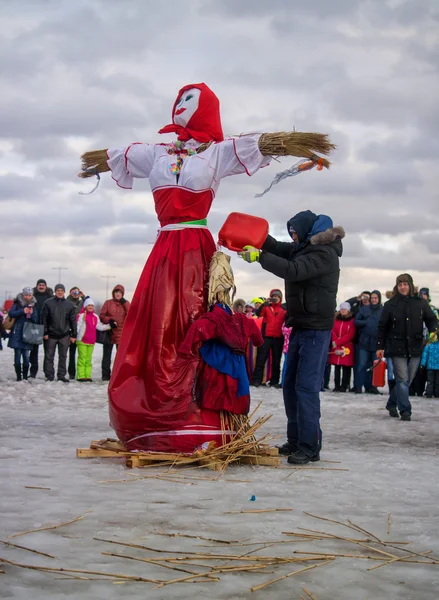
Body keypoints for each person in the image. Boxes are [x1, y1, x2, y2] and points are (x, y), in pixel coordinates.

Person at [80, 82, 333, 452]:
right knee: (157, 324)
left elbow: (260, 144)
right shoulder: (156, 154)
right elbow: (114, 157)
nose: (181, 105)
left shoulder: (216, 153)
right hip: (165, 249)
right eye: (179, 99)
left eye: (190, 100)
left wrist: (288, 144)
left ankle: (201, 415)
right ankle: (152, 410)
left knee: (195, 320)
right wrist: (87, 164)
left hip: (196, 250)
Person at [240, 210, 344, 464]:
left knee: (306, 388)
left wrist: (260, 257)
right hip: (299, 325)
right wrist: (255, 236)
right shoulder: (303, 248)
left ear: (308, 231)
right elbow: (277, 247)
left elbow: (293, 270)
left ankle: (310, 446)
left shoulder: (324, 253)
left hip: (316, 329)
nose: (293, 237)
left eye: (295, 232)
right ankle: (296, 440)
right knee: (289, 386)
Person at [376, 273, 437, 421]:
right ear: (397, 287)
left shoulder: (420, 303)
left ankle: (391, 403)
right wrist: (380, 346)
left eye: (405, 284)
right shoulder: (391, 304)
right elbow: (382, 327)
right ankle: (405, 410)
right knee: (402, 379)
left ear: (410, 285)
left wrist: (433, 330)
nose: (403, 287)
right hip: (397, 346)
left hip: (416, 345)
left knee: (407, 380)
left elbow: (431, 319)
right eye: (400, 285)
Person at [42, 284, 77, 383]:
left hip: (64, 335)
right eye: (58, 290)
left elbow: (73, 321)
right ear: (55, 291)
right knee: (49, 356)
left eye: (62, 290)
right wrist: (44, 332)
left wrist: (74, 334)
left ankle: (61, 375)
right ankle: (49, 375)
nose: (60, 292)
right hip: (51, 335)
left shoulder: (69, 305)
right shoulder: (48, 303)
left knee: (63, 356)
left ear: (64, 291)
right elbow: (43, 319)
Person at [251, 290, 286, 388]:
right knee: (261, 359)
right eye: (273, 296)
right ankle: (257, 380)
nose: (275, 298)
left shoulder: (284, 309)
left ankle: (274, 381)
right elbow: (258, 314)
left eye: (277, 296)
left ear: (280, 298)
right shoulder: (266, 307)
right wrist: (264, 304)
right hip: (266, 337)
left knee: (276, 360)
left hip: (278, 338)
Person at [99, 284, 130, 381]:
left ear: (122, 294)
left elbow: (131, 314)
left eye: (120, 292)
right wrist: (110, 320)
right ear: (113, 293)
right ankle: (105, 375)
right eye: (116, 292)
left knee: (120, 357)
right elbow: (102, 316)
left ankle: (119, 375)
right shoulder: (108, 303)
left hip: (121, 334)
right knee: (106, 356)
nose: (118, 294)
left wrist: (124, 303)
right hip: (109, 332)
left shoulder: (126, 303)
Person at [76, 297, 111, 382]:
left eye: (92, 305)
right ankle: (81, 375)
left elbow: (99, 326)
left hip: (91, 341)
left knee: (88, 359)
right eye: (89, 305)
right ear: (85, 306)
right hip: (82, 340)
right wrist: (75, 335)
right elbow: (78, 327)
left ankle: (87, 375)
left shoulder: (95, 317)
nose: (91, 307)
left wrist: (109, 326)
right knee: (82, 358)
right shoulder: (81, 316)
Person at [354, 290, 383, 394]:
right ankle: (358, 386)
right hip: (364, 342)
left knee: (374, 366)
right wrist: (366, 322)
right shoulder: (364, 309)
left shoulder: (383, 311)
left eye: (376, 298)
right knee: (362, 365)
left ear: (379, 299)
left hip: (376, 343)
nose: (374, 300)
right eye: (372, 298)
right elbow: (356, 321)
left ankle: (372, 387)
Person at [7, 288, 39, 381]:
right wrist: (22, 311)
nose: (28, 297)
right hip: (17, 332)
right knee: (17, 357)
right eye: (26, 295)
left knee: (26, 358)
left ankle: (25, 376)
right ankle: (18, 377)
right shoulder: (17, 303)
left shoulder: (33, 305)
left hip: (27, 334)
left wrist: (32, 314)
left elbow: (36, 320)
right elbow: (11, 313)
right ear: (23, 295)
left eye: (29, 295)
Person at [328, 302, 356, 392]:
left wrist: (338, 342)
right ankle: (337, 385)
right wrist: (335, 342)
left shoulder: (352, 321)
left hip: (347, 347)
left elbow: (350, 334)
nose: (343, 310)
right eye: (342, 309)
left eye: (345, 309)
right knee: (337, 366)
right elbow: (332, 331)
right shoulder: (335, 320)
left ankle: (344, 385)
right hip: (336, 345)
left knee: (346, 367)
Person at [29, 279, 53, 378]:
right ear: (37, 286)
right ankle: (33, 372)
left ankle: (47, 373)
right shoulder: (32, 297)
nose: (41, 286)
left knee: (48, 351)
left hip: (47, 327)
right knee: (34, 351)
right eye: (40, 285)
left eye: (43, 285)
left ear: (46, 286)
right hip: (35, 326)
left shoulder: (50, 297)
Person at [66, 286, 85, 380]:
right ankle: (71, 373)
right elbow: (74, 311)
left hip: (81, 330)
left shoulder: (82, 301)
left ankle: (81, 373)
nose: (75, 294)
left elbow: (89, 304)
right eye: (73, 292)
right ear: (70, 292)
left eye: (77, 292)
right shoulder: (67, 301)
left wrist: (83, 296)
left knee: (82, 354)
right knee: (71, 353)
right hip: (71, 330)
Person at [421, 332, 439, 398]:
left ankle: (429, 393)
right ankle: (437, 393)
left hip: (430, 367)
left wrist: (422, 364)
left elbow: (424, 356)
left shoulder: (428, 346)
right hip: (438, 367)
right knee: (438, 382)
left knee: (430, 381)